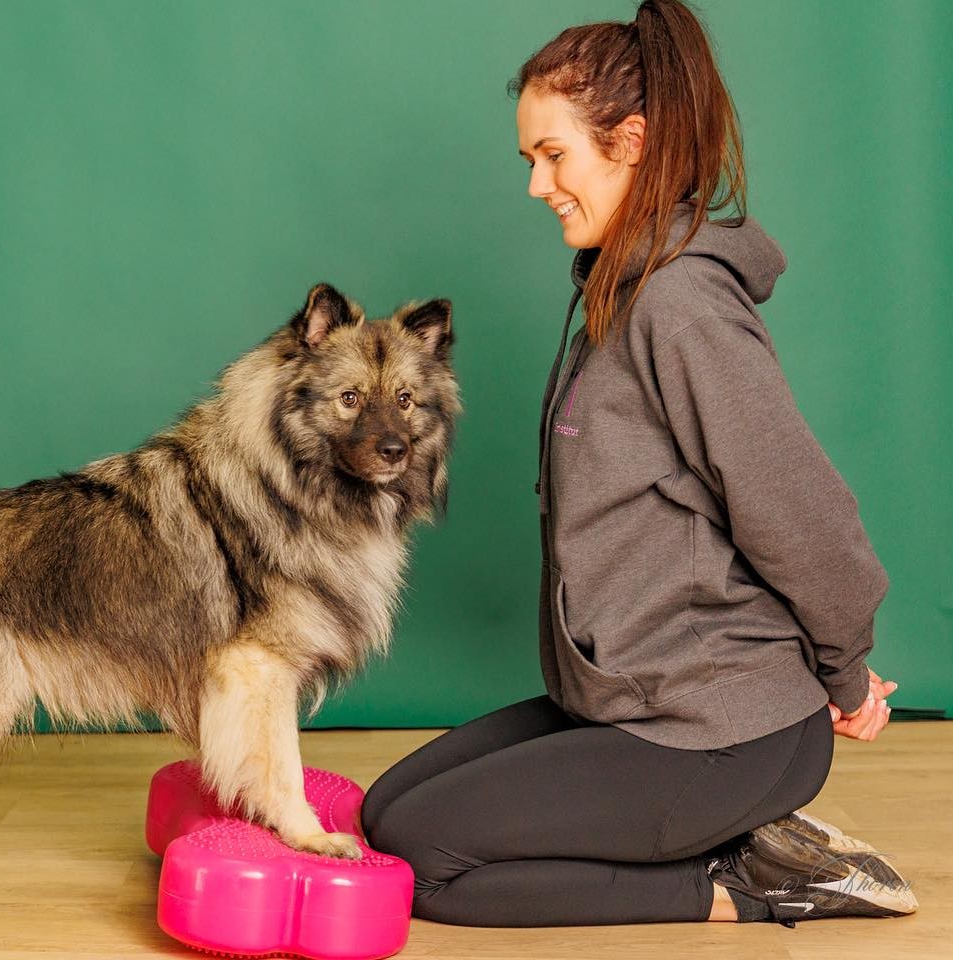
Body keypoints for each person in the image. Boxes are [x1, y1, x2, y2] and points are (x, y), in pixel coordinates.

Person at [360, 0, 917, 927]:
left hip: (724, 730)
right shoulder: (618, 292)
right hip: (636, 704)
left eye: (553, 156)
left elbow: (799, 509)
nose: (537, 185)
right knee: (388, 816)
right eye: (528, 159)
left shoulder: (681, 304)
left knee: (425, 859)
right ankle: (740, 837)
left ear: (631, 141)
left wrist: (846, 674)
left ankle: (742, 884)